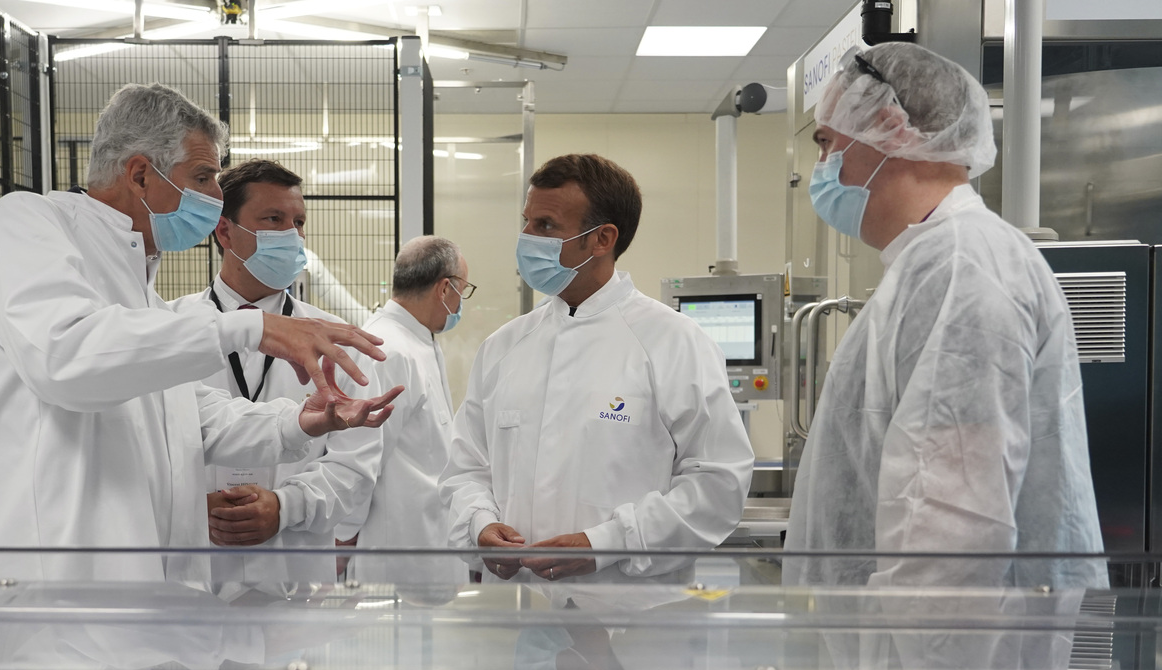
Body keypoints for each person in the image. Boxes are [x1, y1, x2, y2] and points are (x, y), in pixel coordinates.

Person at [0, 84, 401, 585]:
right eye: (204, 176)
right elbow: (66, 357)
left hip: (148, 584)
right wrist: (251, 326)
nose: (216, 196)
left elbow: (187, 416)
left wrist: (301, 421)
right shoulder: (28, 222)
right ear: (141, 173)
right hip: (56, 580)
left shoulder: (138, 282)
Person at [784, 44, 1105, 588]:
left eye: (828, 144)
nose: (822, 167)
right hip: (900, 654)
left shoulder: (962, 268)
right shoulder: (930, 264)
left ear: (891, 127)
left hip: (939, 660)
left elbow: (952, 538)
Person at [440, 154, 753, 583]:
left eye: (546, 226)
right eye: (527, 221)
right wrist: (478, 523)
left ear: (602, 238)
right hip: (514, 609)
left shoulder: (675, 342)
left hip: (628, 616)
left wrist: (609, 542)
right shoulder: (504, 347)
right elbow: (466, 467)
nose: (526, 237)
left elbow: (719, 485)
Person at [170, 159, 395, 595]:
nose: (292, 235)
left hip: (296, 575)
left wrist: (285, 505)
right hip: (193, 569)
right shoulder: (171, 329)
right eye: (273, 220)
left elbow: (356, 467)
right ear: (224, 232)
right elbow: (148, 449)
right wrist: (191, 508)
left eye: (299, 223)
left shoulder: (338, 341)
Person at [335, 235, 471, 585]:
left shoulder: (419, 342)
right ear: (445, 289)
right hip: (392, 555)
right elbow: (357, 463)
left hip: (428, 545)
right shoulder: (386, 351)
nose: (461, 303)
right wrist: (341, 543)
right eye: (463, 291)